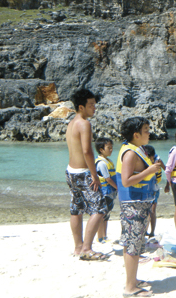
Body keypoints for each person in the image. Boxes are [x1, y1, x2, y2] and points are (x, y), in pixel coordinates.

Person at [117, 117, 164, 297]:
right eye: (146, 130)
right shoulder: (130, 153)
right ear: (136, 135)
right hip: (133, 205)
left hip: (138, 204)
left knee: (133, 244)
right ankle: (130, 288)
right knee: (132, 245)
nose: (149, 132)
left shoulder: (136, 150)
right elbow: (126, 181)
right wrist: (149, 171)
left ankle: (133, 280)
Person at [65, 88, 107, 260]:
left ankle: (78, 247)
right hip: (83, 173)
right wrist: (94, 175)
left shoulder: (72, 122)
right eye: (91, 105)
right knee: (99, 208)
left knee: (76, 208)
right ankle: (87, 249)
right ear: (81, 107)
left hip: (70, 171)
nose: (94, 108)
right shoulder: (85, 123)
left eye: (94, 105)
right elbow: (87, 151)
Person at [94, 137, 117, 244]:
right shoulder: (102, 163)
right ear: (101, 149)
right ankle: (100, 237)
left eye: (112, 147)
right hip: (105, 192)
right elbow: (107, 179)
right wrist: (118, 187)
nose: (111, 150)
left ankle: (105, 236)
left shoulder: (108, 161)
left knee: (106, 215)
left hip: (110, 192)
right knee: (102, 215)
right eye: (109, 148)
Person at [142, 145, 163, 238]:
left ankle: (152, 232)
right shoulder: (142, 162)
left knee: (152, 211)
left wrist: (169, 183)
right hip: (145, 189)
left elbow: (166, 169)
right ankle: (145, 231)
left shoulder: (157, 160)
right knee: (145, 211)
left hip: (154, 189)